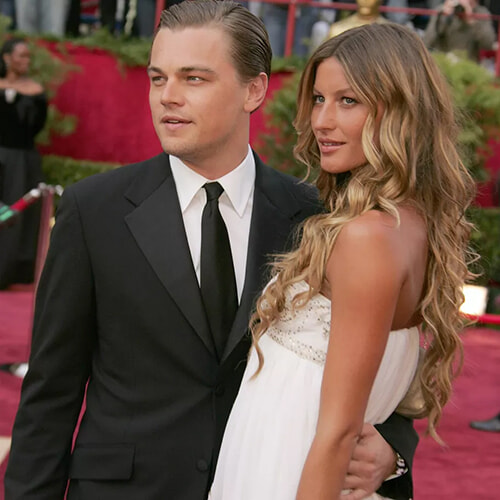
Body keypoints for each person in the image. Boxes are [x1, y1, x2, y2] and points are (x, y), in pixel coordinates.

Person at [5, 2, 416, 499]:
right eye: (158, 79)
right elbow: (49, 394)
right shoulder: (94, 211)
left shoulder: (316, 216)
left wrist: (392, 455)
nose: (168, 97)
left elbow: (378, 366)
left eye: (194, 78)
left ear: (254, 90)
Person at [210, 22, 475, 499]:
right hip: (278, 462)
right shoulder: (405, 223)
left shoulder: (366, 237)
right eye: (318, 99)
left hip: (294, 474)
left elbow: (337, 433)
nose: (322, 121)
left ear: (400, 112)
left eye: (348, 101)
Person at [0, 37, 47, 290]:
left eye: (28, 56)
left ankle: (9, 271)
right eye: (21, 55)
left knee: (16, 214)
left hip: (22, 160)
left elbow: (38, 125)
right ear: (7, 58)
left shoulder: (36, 91)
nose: (26, 60)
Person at [423, 0, 496, 63]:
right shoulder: (442, 10)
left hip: (467, 66)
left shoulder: (481, 12)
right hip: (444, 64)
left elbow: (488, 44)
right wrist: (443, 18)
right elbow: (427, 42)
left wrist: (472, 21)